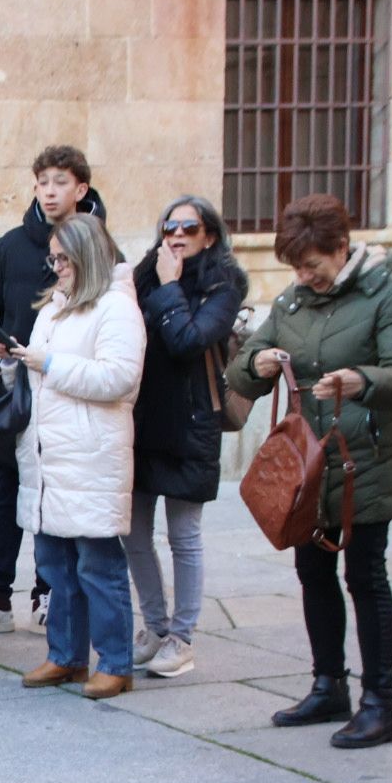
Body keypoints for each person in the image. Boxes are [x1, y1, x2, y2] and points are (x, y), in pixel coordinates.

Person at [227, 194, 392, 749]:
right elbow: (241, 374)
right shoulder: (292, 301)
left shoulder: (388, 293)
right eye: (296, 267)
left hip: (367, 462)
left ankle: (380, 703)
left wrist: (361, 380)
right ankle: (327, 684)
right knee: (313, 574)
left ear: (342, 247)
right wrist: (256, 362)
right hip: (310, 467)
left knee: (365, 577)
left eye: (313, 263)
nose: (304, 275)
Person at [0, 145, 108, 638]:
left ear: (81, 189)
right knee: (6, 491)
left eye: (60, 181)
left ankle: (48, 594)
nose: (49, 190)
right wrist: (1, 343)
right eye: (42, 180)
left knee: (57, 494)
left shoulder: (100, 248)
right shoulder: (10, 246)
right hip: (17, 388)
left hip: (72, 390)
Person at [0, 213, 145, 699]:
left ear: (89, 256)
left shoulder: (117, 308)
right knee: (56, 567)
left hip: (90, 457)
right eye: (53, 258)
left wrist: (49, 364)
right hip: (49, 458)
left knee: (98, 568)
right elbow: (40, 382)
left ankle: (116, 662)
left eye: (64, 258)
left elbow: (118, 379)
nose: (56, 267)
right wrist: (11, 363)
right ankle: (66, 657)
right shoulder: (54, 309)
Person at [124, 196, 247, 679]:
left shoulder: (224, 283)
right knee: (132, 532)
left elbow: (188, 341)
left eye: (188, 228)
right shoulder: (143, 276)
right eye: (169, 227)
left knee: (183, 535)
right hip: (143, 420)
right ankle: (154, 627)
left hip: (192, 423)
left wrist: (171, 287)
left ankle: (182, 636)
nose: (176, 236)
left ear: (209, 236)